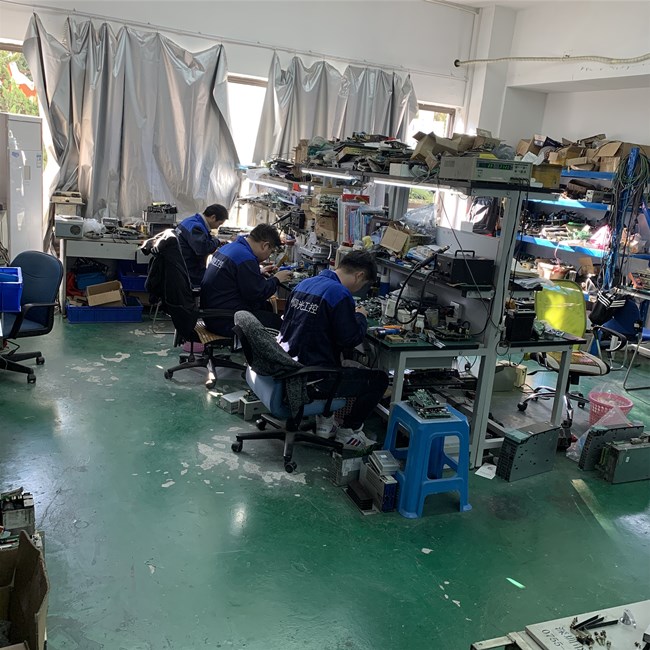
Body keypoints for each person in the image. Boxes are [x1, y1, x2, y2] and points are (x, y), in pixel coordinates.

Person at [279, 250, 388, 449]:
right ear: (359, 276)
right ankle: (348, 433)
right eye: (363, 284)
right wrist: (361, 316)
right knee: (378, 380)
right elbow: (350, 340)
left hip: (288, 366)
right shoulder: (339, 294)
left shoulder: (305, 284)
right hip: (313, 378)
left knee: (335, 358)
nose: (360, 289)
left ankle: (325, 423)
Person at [201, 223, 292, 335]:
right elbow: (257, 294)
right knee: (282, 325)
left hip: (211, 314)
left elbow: (232, 277)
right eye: (271, 251)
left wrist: (258, 272)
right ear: (265, 246)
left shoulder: (230, 247)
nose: (269, 256)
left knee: (267, 308)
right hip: (226, 320)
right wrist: (276, 279)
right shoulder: (246, 258)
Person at [176, 204, 228, 287]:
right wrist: (217, 242)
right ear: (213, 217)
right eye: (219, 224)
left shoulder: (190, 221)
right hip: (189, 270)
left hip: (180, 265)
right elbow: (202, 249)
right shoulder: (196, 227)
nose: (217, 227)